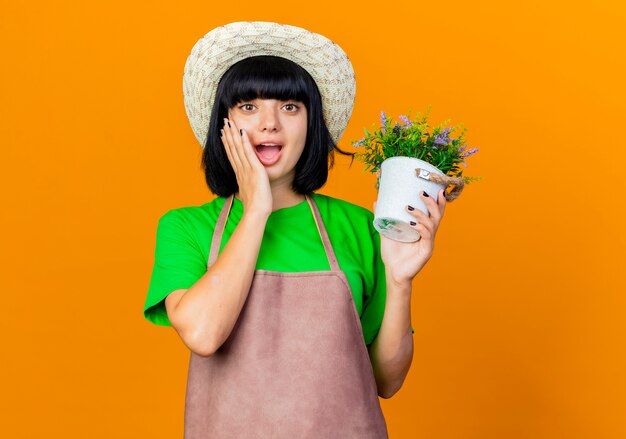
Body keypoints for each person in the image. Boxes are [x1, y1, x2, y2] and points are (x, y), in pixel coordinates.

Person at [143, 21, 447, 438]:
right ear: (224, 124)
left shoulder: (359, 226)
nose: (269, 123)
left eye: (289, 107)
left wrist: (399, 282)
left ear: (311, 124)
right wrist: (255, 211)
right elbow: (203, 333)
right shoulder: (187, 227)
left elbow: (386, 381)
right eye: (248, 107)